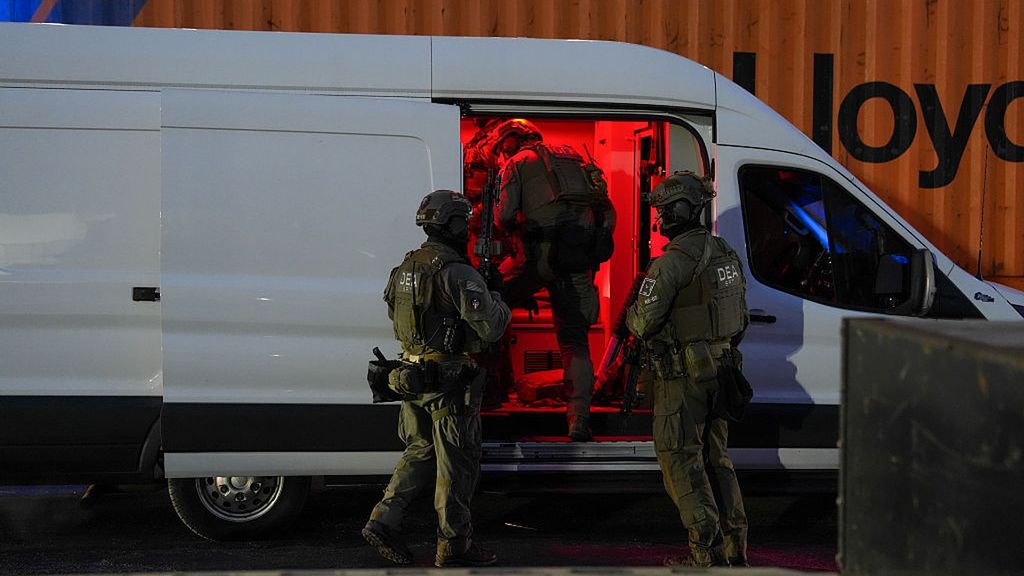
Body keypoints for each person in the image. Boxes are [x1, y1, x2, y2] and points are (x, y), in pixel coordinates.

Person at [362, 190, 511, 567]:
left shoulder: (405, 268)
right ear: (454, 224)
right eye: (465, 221)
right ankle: (454, 544)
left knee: (419, 452)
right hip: (449, 384)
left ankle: (383, 519)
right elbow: (491, 328)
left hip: (411, 376)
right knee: (456, 467)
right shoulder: (457, 272)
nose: (469, 228)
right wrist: (499, 299)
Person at [624, 171, 749, 567]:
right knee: (718, 460)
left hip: (682, 377)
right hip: (722, 369)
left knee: (680, 458)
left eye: (662, 210)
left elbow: (642, 323)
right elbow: (739, 318)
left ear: (680, 209)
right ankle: (735, 548)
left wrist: (629, 314)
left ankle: (704, 551)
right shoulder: (726, 253)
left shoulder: (672, 264)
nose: (659, 218)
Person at [491, 118, 609, 441]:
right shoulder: (576, 157)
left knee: (487, 306)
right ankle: (578, 420)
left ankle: (488, 399)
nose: (502, 154)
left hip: (537, 258)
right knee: (575, 342)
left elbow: (502, 218)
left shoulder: (517, 163)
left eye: (502, 148)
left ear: (513, 141)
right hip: (577, 260)